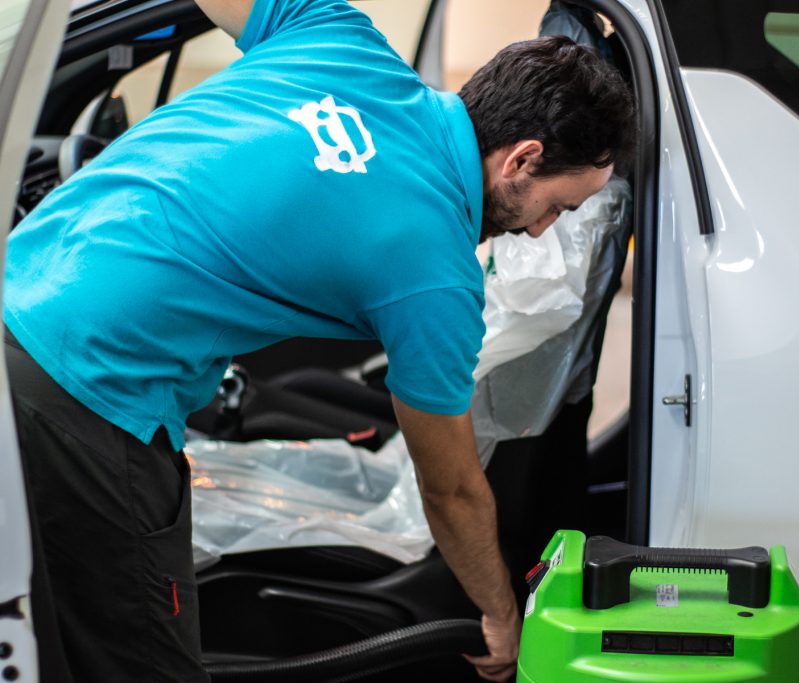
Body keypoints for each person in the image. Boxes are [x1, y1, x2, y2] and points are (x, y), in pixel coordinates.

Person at [2, 0, 635, 680]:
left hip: (16, 303)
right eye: (557, 206)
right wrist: (502, 614)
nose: (541, 230)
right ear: (522, 160)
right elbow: (451, 489)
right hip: (95, 391)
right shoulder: (436, 279)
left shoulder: (339, 35)